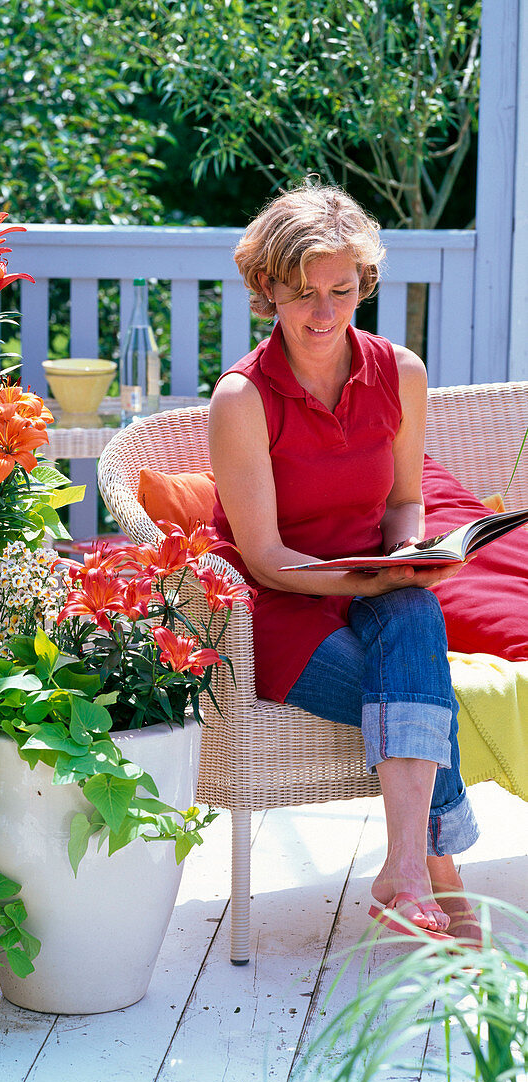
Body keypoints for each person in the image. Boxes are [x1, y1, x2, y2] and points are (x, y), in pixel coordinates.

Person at [209, 182, 480, 942]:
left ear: (363, 284)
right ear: (267, 287)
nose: (323, 313)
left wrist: (407, 551)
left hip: (377, 581)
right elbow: (261, 559)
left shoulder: (400, 371)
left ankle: (400, 867)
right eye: (301, 294)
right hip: (281, 604)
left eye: (341, 290)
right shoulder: (242, 397)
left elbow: (402, 501)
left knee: (414, 610)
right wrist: (367, 578)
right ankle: (439, 866)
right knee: (407, 682)